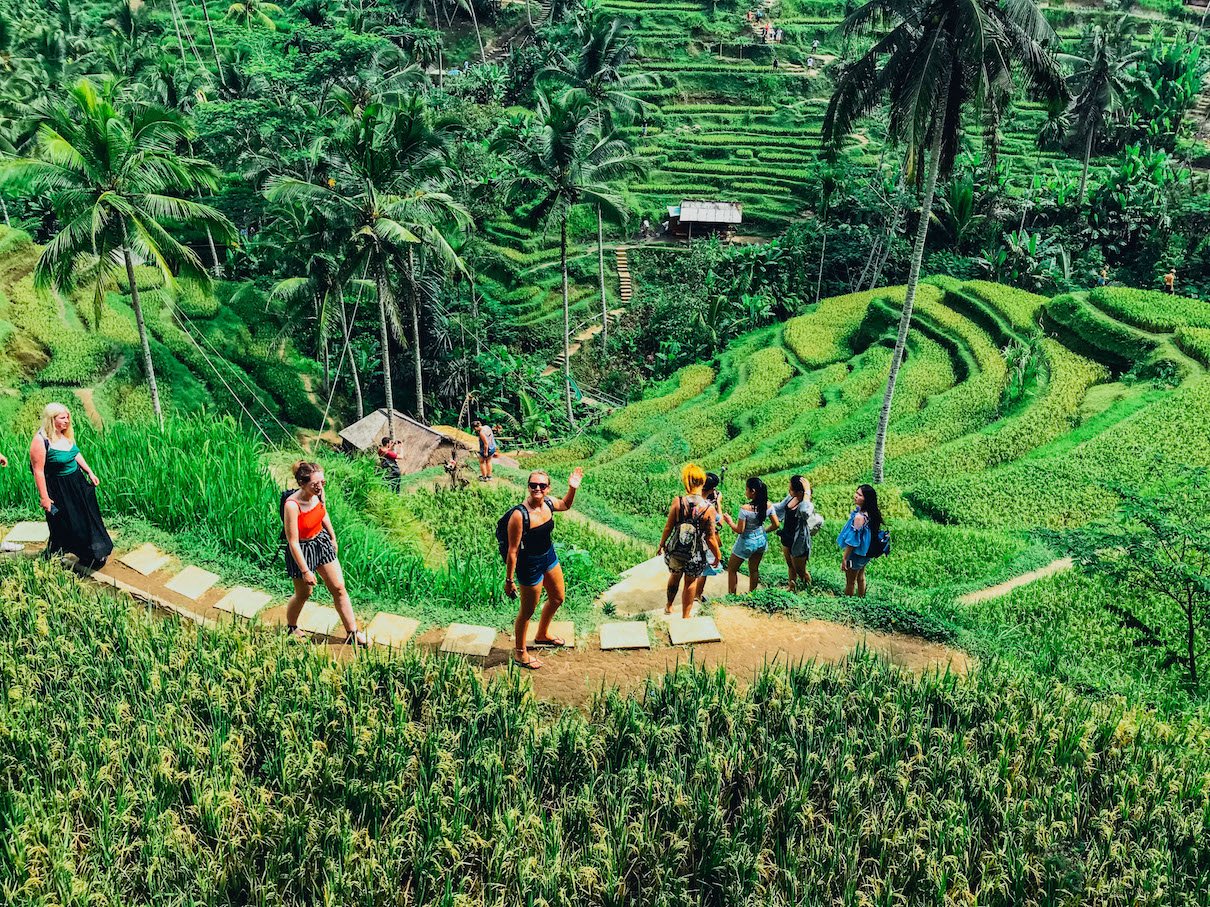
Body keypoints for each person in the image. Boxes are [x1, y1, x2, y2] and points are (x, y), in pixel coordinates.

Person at [505, 467, 583, 669]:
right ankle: (520, 653)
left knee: (558, 598)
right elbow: (512, 551)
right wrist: (509, 580)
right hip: (529, 565)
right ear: (528, 487)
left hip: (548, 556)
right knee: (527, 611)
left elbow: (565, 504)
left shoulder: (548, 503)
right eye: (533, 485)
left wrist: (572, 488)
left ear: (548, 488)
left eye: (542, 485)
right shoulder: (519, 515)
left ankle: (542, 634)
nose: (537, 488)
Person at [282, 461, 367, 646]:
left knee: (339, 587)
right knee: (304, 593)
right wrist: (306, 571)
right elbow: (293, 542)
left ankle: (353, 632)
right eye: (315, 484)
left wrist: (332, 536)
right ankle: (291, 626)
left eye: (323, 483)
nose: (320, 487)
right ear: (302, 484)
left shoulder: (318, 493)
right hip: (302, 550)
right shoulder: (292, 506)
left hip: (321, 541)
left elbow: (323, 512)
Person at [30, 403, 113, 568]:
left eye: (68, 417)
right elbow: (38, 471)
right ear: (51, 419)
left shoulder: (64, 434)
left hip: (77, 482)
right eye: (63, 418)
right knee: (66, 522)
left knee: (87, 517)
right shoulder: (40, 441)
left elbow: (75, 453)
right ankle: (59, 554)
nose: (67, 420)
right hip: (59, 488)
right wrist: (45, 498)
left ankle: (91, 553)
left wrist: (90, 472)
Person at [657, 464, 722, 618]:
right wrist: (717, 555)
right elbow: (710, 537)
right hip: (696, 553)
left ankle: (669, 606)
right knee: (691, 582)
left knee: (674, 576)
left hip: (676, 550)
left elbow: (668, 527)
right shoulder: (708, 508)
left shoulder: (678, 502)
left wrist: (662, 544)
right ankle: (686, 616)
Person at [721, 476, 778, 595]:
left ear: (753, 491)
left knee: (732, 569)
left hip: (746, 542)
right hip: (761, 540)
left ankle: (732, 596)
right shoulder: (768, 505)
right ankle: (752, 594)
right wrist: (763, 532)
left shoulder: (745, 509)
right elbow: (776, 524)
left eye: (747, 489)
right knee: (754, 569)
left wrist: (729, 521)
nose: (745, 492)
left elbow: (740, 530)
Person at [771, 475, 818, 591]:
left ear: (800, 492)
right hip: (787, 536)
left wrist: (807, 493)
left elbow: (804, 512)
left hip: (798, 541)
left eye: (791, 488)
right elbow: (780, 507)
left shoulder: (806, 505)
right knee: (790, 566)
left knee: (801, 571)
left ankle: (807, 591)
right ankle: (791, 588)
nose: (789, 489)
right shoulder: (791, 497)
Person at [837, 483, 883, 598]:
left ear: (867, 499)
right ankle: (861, 599)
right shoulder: (871, 513)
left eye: (860, 495)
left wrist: (845, 558)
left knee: (850, 581)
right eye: (856, 493)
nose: (856, 496)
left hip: (856, 554)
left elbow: (852, 541)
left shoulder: (859, 517)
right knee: (860, 577)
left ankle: (848, 603)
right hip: (865, 552)